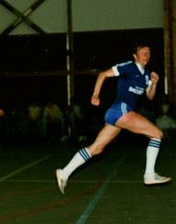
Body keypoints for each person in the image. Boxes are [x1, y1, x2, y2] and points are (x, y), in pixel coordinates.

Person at [55, 42, 171, 194]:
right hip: (120, 110)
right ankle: (149, 175)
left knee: (96, 148)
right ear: (135, 56)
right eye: (143, 53)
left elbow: (150, 96)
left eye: (148, 53)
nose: (146, 56)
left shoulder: (147, 74)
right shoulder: (128, 67)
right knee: (157, 134)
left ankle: (64, 173)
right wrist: (95, 95)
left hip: (119, 115)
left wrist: (154, 84)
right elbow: (103, 74)